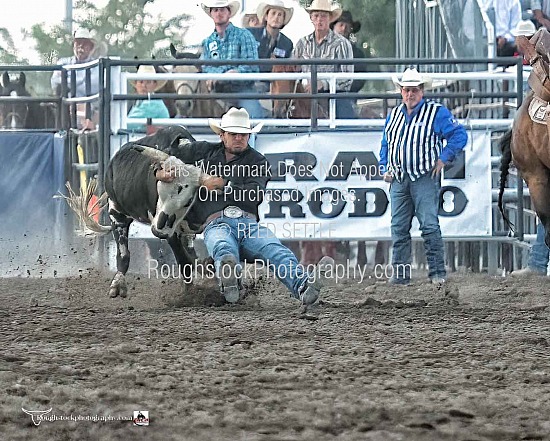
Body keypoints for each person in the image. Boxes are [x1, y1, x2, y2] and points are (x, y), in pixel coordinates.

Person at [156, 107, 331, 305]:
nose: (239, 138)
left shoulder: (258, 161)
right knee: (224, 247)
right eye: (233, 134)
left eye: (243, 134)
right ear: (222, 136)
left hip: (246, 225)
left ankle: (302, 286)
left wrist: (224, 185)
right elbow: (168, 156)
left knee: (275, 251)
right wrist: (160, 172)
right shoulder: (203, 152)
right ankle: (231, 281)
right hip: (219, 223)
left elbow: (255, 195)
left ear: (248, 136)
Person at [379, 68, 468, 285]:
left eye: (414, 90)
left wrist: (443, 157)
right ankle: (401, 276)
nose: (410, 94)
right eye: (407, 90)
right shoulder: (394, 115)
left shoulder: (436, 113)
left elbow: (459, 134)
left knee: (429, 225)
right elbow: (385, 144)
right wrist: (385, 167)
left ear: (422, 91)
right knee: (399, 228)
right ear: (401, 91)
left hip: (424, 177)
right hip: (400, 178)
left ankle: (437, 273)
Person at [200, 0, 265, 118]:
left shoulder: (244, 35)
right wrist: (226, 74)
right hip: (216, 91)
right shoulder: (207, 41)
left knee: (253, 120)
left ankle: (253, 135)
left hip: (242, 90)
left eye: (222, 9)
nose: (219, 13)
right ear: (211, 14)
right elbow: (205, 67)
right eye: (215, 10)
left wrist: (234, 73)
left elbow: (252, 65)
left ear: (229, 13)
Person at [292, 0, 355, 119]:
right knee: (286, 108)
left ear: (330, 18)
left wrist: (323, 84)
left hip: (332, 94)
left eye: (323, 16)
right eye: (316, 16)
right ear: (311, 18)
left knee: (344, 114)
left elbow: (347, 79)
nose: (319, 20)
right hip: (305, 94)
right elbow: (294, 70)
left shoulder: (341, 44)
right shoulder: (302, 43)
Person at [50, 28, 101, 129]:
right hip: (65, 108)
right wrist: (82, 81)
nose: (80, 46)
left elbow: (94, 87)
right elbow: (55, 83)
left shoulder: (97, 65)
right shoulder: (63, 63)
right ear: (74, 45)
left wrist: (69, 82)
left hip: (89, 108)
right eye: (78, 43)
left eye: (84, 43)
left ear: (91, 47)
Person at [248, 0, 294, 94]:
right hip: (249, 81)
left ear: (283, 20)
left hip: (275, 86)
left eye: (280, 15)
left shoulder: (287, 43)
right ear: (266, 16)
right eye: (273, 13)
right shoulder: (250, 34)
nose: (276, 17)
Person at [126, 65, 170, 132]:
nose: (144, 86)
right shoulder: (144, 101)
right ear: (136, 84)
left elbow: (128, 125)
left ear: (154, 84)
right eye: (141, 82)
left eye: (148, 82)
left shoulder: (152, 103)